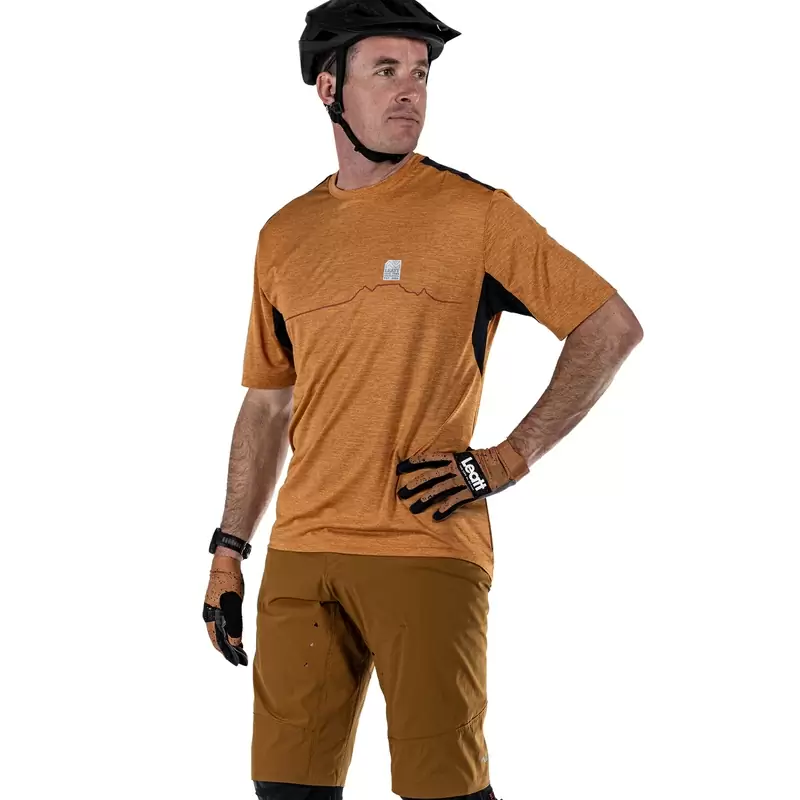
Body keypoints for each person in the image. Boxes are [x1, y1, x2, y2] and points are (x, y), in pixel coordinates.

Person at [202, 1, 644, 798]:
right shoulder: (284, 235)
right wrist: (228, 551)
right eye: (386, 71)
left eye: (421, 73)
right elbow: (266, 405)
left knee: (444, 791)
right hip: (302, 555)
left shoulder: (476, 216)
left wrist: (505, 461)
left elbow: (608, 327)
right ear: (329, 88)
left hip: (424, 546)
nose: (411, 90)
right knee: (286, 791)